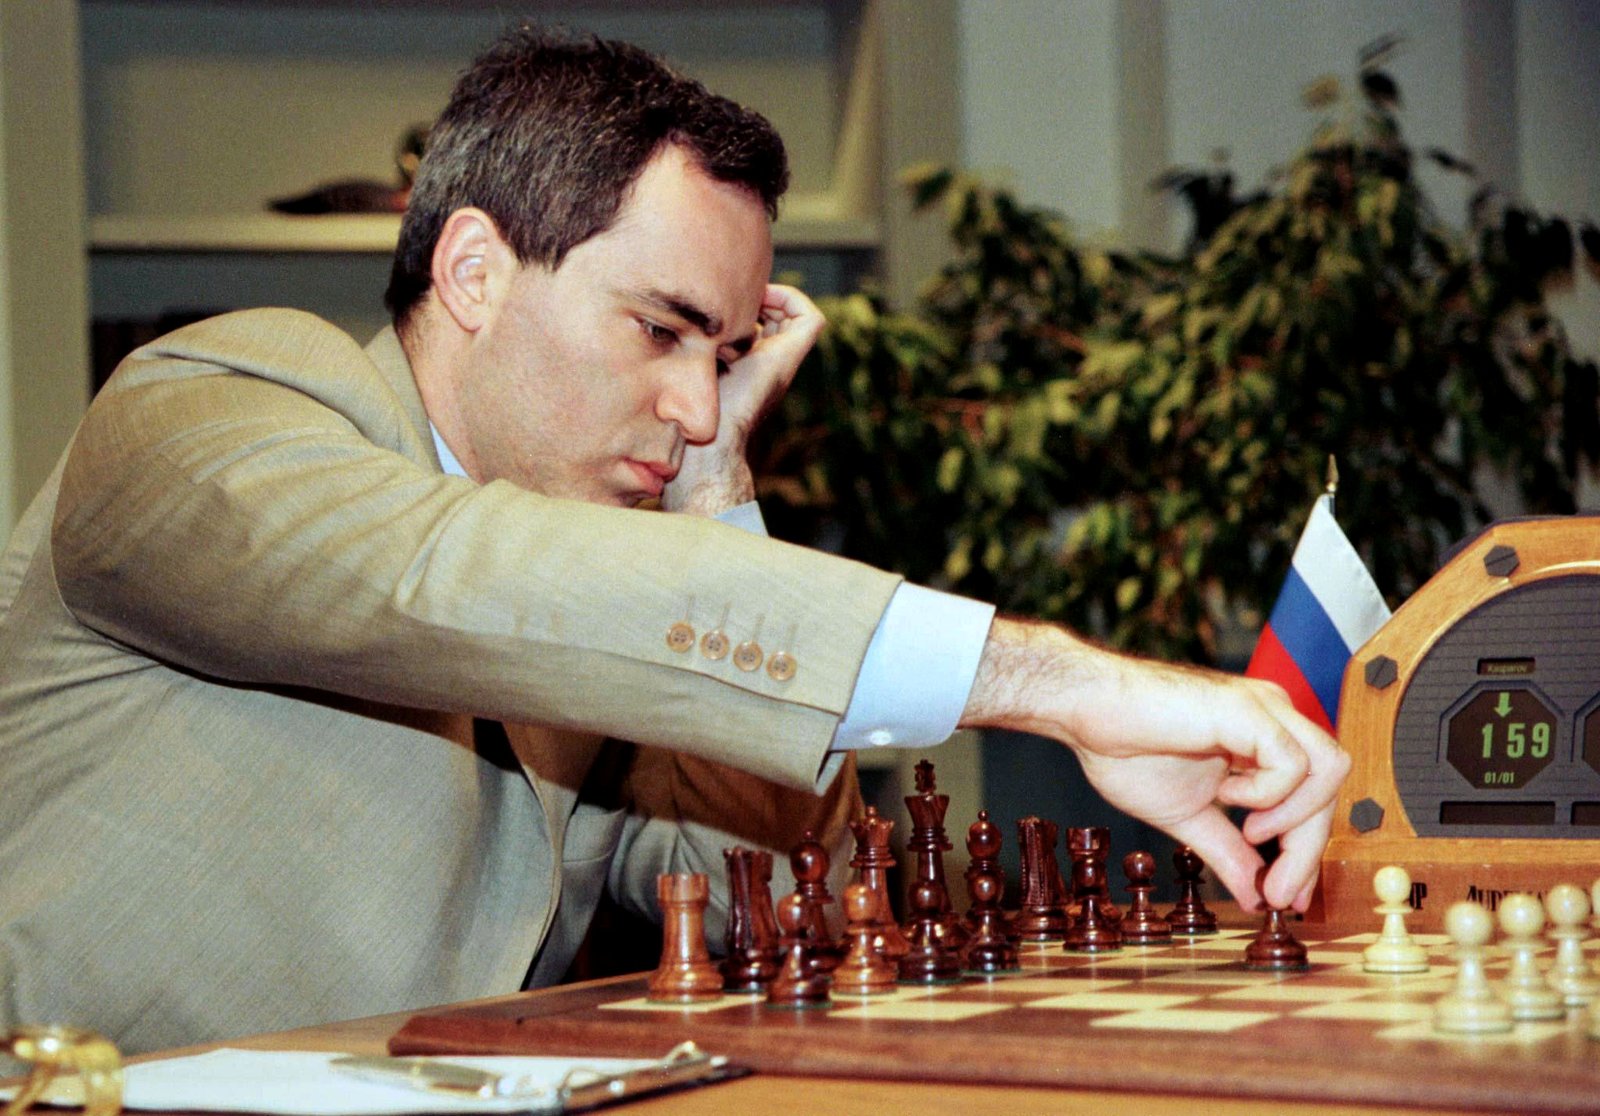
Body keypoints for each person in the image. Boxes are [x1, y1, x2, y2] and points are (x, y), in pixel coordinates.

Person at [0, 25, 1346, 1056]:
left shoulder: (610, 571)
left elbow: (790, 902)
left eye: (726, 349)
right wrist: (1064, 687)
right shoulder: (220, 398)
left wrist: (718, 493)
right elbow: (446, 580)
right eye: (657, 330)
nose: (696, 401)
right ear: (472, 272)